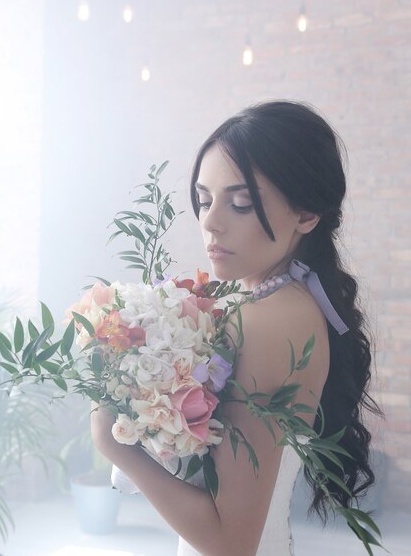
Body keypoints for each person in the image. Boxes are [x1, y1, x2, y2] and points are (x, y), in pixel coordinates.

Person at [91, 100, 381, 556]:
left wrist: (116, 444)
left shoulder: (266, 322)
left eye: (241, 204)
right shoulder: (273, 300)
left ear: (306, 215)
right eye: (205, 200)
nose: (210, 222)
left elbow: (231, 542)